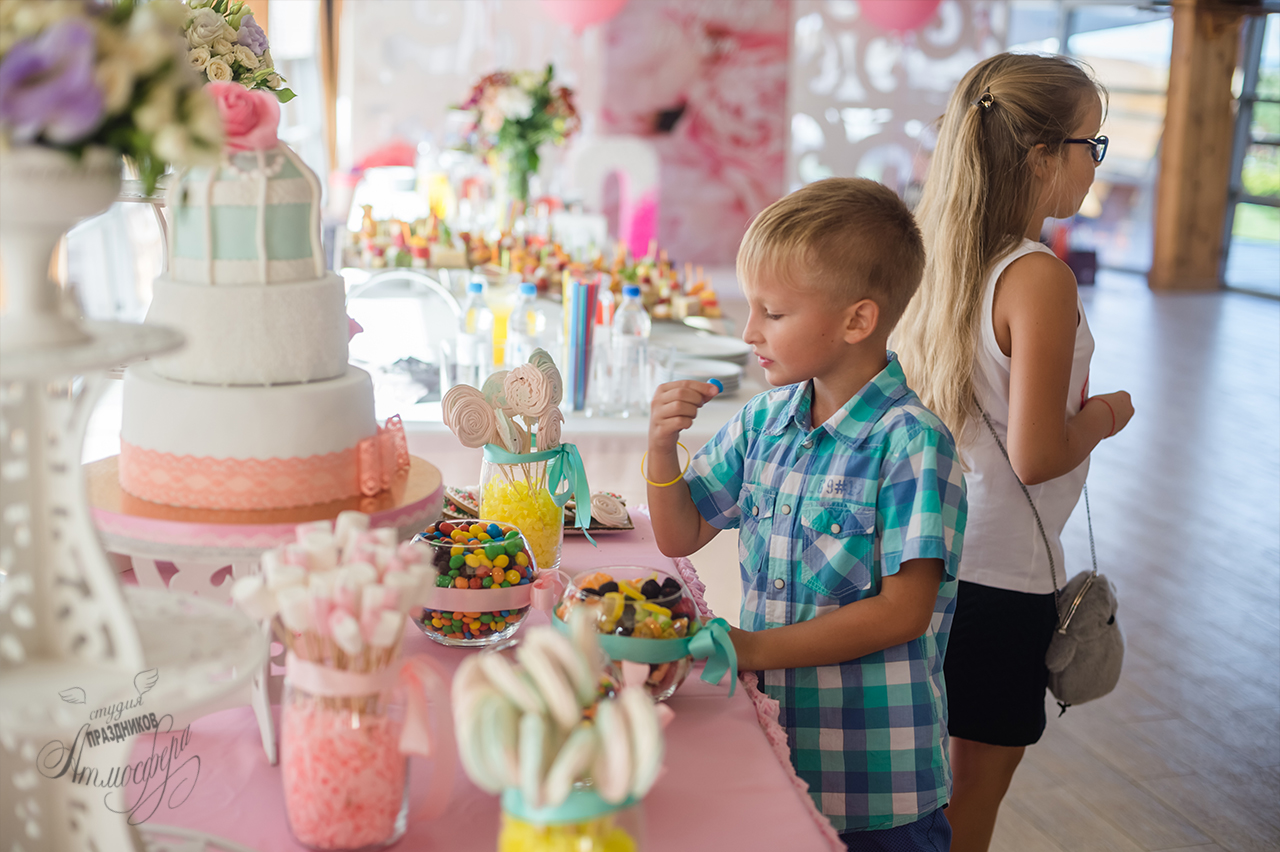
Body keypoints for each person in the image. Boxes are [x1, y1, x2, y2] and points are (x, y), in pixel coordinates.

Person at [646, 177, 968, 850]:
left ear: (857, 321)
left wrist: (754, 647)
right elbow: (681, 531)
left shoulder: (912, 442)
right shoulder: (765, 421)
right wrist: (660, 448)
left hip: (877, 784)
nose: (749, 331)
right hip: (781, 750)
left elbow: (903, 611)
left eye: (773, 313)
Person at [891, 54, 1135, 852]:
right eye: (1090, 146)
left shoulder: (936, 257)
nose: (1096, 167)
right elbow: (1037, 455)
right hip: (1003, 575)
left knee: (907, 788)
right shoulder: (1038, 277)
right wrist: (1104, 414)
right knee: (972, 803)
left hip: (919, 558)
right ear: (1040, 157)